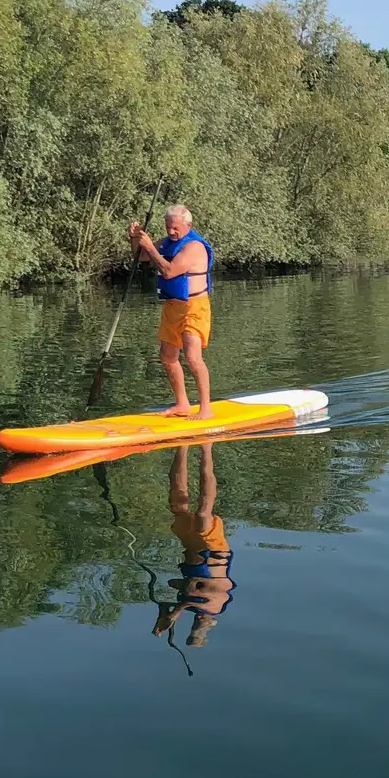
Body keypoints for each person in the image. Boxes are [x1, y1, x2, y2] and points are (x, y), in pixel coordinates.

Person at [130, 205, 215, 419]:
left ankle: (206, 408)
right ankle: (182, 404)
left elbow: (168, 271)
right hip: (172, 307)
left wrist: (149, 246)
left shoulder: (194, 246)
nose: (170, 232)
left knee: (193, 357)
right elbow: (141, 257)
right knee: (167, 356)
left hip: (194, 307)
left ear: (189, 225)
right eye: (168, 227)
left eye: (175, 228)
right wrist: (135, 239)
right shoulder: (168, 242)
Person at [153, 442, 235, 648]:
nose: (199, 621)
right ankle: (206, 449)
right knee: (202, 513)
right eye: (202, 626)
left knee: (177, 506)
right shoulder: (217, 607)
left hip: (190, 546)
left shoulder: (188, 604)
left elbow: (176, 584)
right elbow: (201, 591)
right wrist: (178, 611)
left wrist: (164, 615)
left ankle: (181, 447)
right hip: (213, 549)